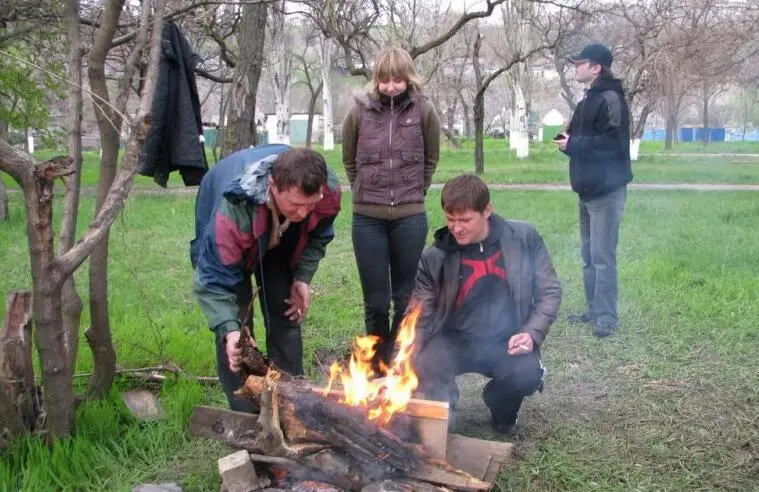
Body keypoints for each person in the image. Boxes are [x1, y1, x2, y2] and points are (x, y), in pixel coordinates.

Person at [191, 144, 341, 412]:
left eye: (310, 205)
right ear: (272, 185)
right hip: (241, 230)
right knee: (237, 334)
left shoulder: (325, 191)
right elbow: (214, 277)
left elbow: (318, 237)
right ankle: (246, 411)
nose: (303, 213)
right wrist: (229, 328)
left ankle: (290, 402)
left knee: (285, 311)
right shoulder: (233, 208)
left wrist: (302, 278)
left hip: (278, 239)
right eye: (296, 205)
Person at [409, 174, 561, 435]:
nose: (456, 229)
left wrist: (531, 333)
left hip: (505, 341)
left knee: (527, 373)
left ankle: (501, 405)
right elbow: (419, 315)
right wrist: (405, 358)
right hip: (453, 340)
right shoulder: (434, 257)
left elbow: (550, 290)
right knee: (423, 362)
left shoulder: (522, 238)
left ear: (487, 210)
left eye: (465, 220)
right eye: (450, 219)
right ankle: (445, 410)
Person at [342, 46, 441, 370]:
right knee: (376, 300)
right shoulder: (358, 112)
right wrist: (363, 190)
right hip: (367, 219)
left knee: (404, 297)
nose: (390, 87)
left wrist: (416, 191)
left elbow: (431, 158)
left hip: (410, 219)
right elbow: (349, 159)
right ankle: (375, 364)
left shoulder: (424, 110)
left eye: (397, 80)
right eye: (384, 80)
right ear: (376, 80)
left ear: (408, 78)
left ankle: (400, 360)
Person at [554, 43, 633, 338]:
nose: (576, 67)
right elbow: (579, 139)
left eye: (580, 63)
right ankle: (593, 309)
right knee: (588, 256)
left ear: (596, 67)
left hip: (607, 191)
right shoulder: (586, 101)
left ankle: (607, 317)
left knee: (602, 256)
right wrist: (566, 141)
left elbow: (611, 145)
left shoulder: (611, 98)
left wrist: (573, 145)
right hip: (586, 190)